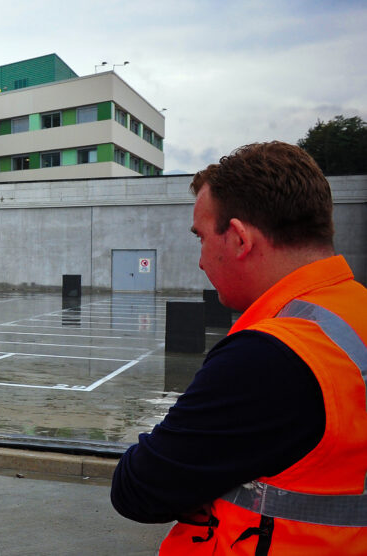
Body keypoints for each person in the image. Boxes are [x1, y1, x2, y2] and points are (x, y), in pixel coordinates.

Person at [111, 142, 367, 553]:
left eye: (200, 238)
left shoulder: (269, 357)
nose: (200, 261)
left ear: (239, 240)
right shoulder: (355, 314)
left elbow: (138, 487)